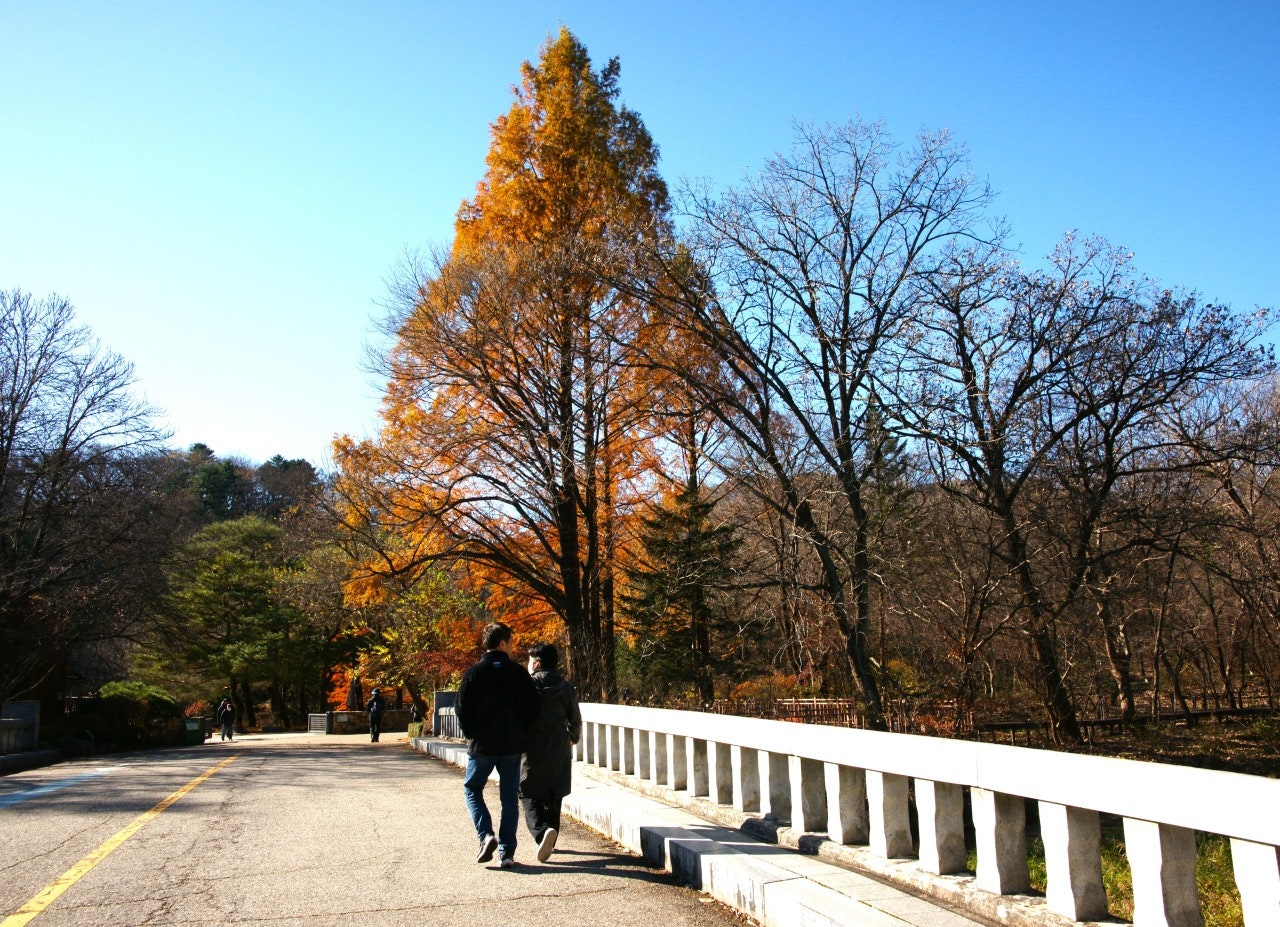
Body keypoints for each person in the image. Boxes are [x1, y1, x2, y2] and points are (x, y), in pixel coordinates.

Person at [456, 622, 540, 868]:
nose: (513, 648)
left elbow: (461, 709)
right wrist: (521, 731)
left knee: (473, 789)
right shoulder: (517, 673)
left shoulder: (473, 673)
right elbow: (533, 707)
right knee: (509, 798)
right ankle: (507, 852)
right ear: (502, 643)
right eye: (511, 642)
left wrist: (472, 733)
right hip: (511, 745)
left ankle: (485, 835)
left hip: (482, 745)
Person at [520, 642, 581, 863]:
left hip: (532, 745)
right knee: (555, 791)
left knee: (528, 792)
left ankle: (540, 833)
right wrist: (574, 737)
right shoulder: (565, 686)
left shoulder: (527, 686)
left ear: (536, 663)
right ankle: (551, 836)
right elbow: (575, 717)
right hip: (559, 744)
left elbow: (520, 717)